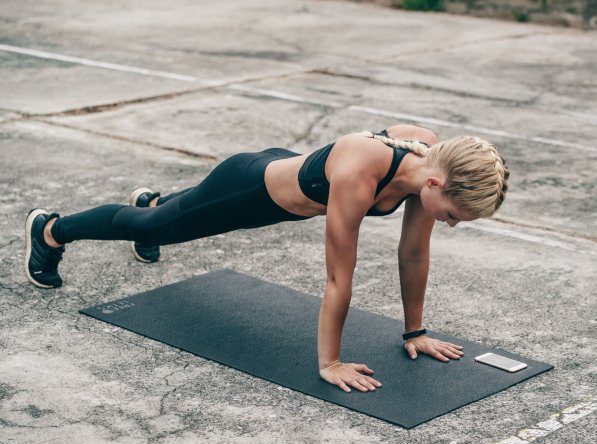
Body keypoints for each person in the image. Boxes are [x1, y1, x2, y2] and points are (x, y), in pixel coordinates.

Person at [23, 124, 509, 393]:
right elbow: (340, 277)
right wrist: (330, 361)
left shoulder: (431, 159)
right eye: (452, 216)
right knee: (152, 228)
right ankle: (51, 229)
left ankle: (157, 201)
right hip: (247, 191)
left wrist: (416, 332)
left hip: (281, 169)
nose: (449, 224)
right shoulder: (362, 174)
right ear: (434, 185)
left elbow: (412, 254)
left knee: (172, 213)